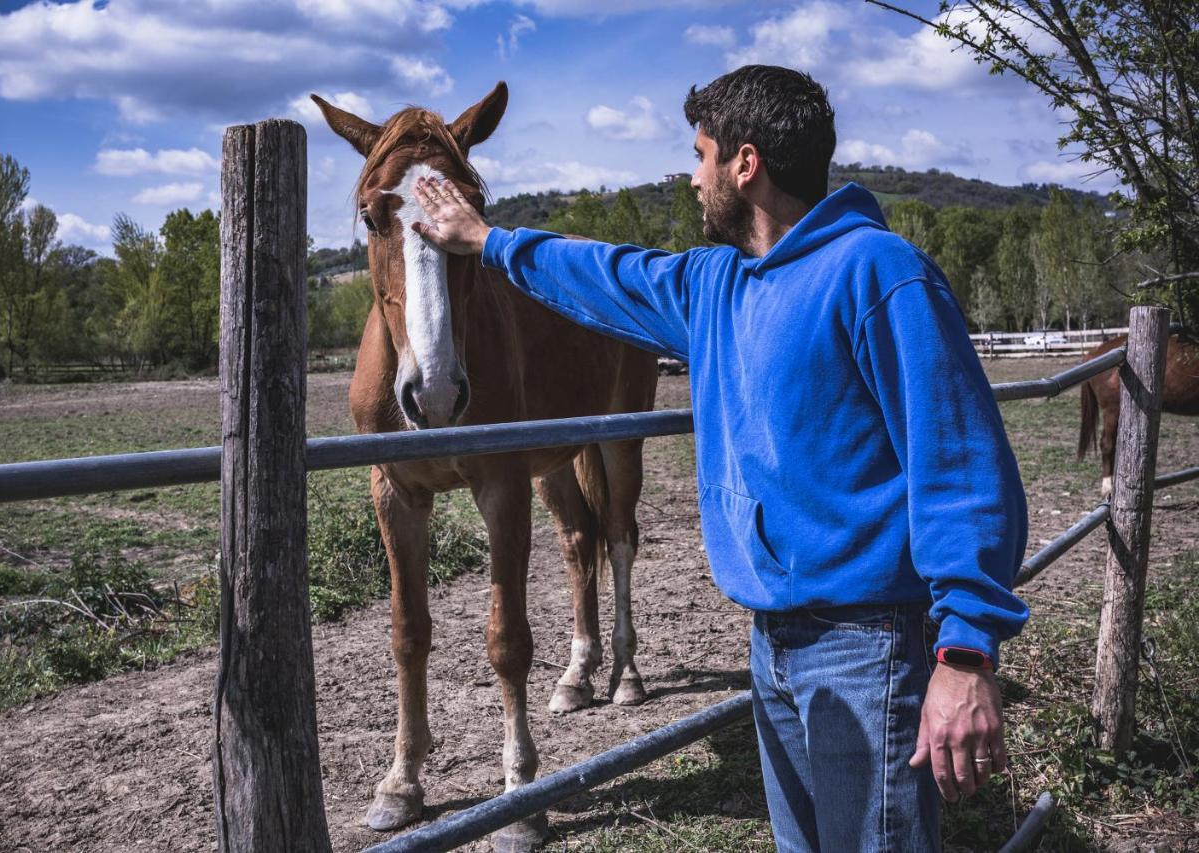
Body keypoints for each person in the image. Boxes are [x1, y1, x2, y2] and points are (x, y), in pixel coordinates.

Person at [411, 65, 1029, 852]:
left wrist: (967, 653)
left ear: (746, 163)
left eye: (701, 155)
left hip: (868, 645)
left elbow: (965, 473)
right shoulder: (716, 283)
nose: (693, 176)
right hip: (769, 641)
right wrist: (489, 243)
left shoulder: (879, 273)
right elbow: (604, 275)